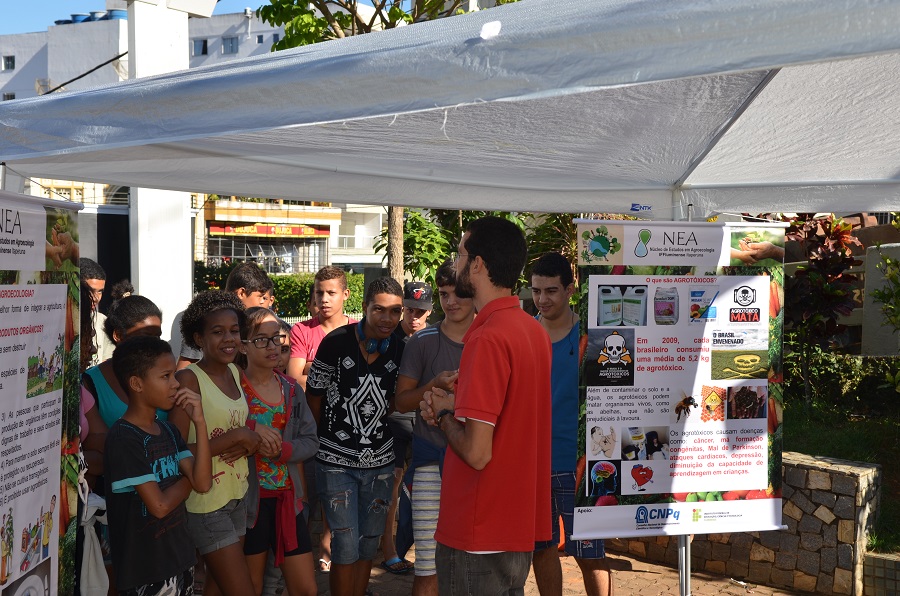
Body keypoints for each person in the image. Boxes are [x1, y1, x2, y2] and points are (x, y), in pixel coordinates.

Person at [421, 216, 552, 595]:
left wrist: (444, 414)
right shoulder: (532, 330)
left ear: (478, 264)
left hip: (478, 529)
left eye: (460, 254)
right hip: (515, 526)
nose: (456, 263)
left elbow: (478, 453)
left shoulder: (489, 338)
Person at [170, 290, 277, 596]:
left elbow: (236, 425)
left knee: (217, 588)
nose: (228, 339)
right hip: (205, 503)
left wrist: (249, 439)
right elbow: (174, 451)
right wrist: (237, 438)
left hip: (237, 494)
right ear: (198, 339)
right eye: (217, 332)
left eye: (233, 331)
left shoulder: (233, 370)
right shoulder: (189, 380)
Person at [306, 277, 405, 596]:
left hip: (380, 464)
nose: (387, 319)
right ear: (364, 308)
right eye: (379, 310)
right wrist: (329, 441)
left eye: (395, 311)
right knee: (345, 545)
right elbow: (314, 396)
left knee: (368, 544)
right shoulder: (336, 341)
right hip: (336, 463)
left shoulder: (401, 348)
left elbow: (398, 399)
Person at [529, 252, 614, 596]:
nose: (542, 299)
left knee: (589, 554)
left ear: (570, 289)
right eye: (536, 291)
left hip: (582, 465)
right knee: (541, 548)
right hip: (533, 464)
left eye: (551, 290)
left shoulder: (593, 336)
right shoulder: (524, 334)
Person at [104, 336, 212, 596]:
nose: (175, 384)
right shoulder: (124, 437)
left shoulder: (168, 430)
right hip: (146, 571)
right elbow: (160, 506)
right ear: (136, 383)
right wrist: (188, 480)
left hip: (180, 558)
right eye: (166, 376)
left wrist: (200, 423)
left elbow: (204, 483)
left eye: (174, 375)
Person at [394, 261, 475, 596]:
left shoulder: (491, 339)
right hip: (430, 463)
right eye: (444, 294)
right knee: (428, 563)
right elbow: (400, 402)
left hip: (477, 464)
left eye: (460, 293)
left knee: (473, 563)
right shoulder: (422, 341)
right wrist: (432, 386)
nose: (451, 301)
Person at [239, 308, 319, 596]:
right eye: (261, 340)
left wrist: (283, 451)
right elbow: (218, 428)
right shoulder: (233, 388)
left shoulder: (291, 389)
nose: (273, 347)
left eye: (277, 338)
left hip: (288, 500)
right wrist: (252, 432)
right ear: (242, 345)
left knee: (306, 588)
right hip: (249, 504)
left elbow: (311, 441)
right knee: (252, 586)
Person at [287, 265, 357, 573]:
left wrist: (313, 367)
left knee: (340, 498)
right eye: (319, 292)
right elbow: (294, 379)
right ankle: (298, 556)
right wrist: (335, 367)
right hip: (310, 427)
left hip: (349, 431)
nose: (324, 299)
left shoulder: (358, 329)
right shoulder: (302, 330)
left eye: (331, 292)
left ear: (346, 294)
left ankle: (329, 546)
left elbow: (359, 381)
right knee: (307, 496)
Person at [380, 281, 433, 575]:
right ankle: (389, 550)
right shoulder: (389, 339)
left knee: (428, 484)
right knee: (394, 482)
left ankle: (420, 549)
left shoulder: (436, 337)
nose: (415, 317)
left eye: (421, 311)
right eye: (410, 310)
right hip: (396, 419)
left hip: (428, 421)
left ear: (430, 311)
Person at [178, 262, 274, 369]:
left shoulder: (236, 373)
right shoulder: (207, 320)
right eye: (260, 297)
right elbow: (184, 370)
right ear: (241, 293)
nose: (229, 338)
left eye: (235, 331)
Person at [80, 257, 114, 366]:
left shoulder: (102, 321)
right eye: (90, 291)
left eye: (100, 292)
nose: (96, 298)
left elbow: (107, 362)